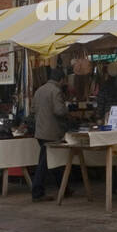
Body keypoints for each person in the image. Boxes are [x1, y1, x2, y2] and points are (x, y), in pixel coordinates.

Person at [29, 67, 69, 202]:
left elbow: (33, 109)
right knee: (44, 163)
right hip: (51, 132)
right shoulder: (56, 91)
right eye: (64, 80)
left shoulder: (39, 90)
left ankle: (64, 188)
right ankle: (37, 192)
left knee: (53, 159)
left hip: (40, 131)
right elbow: (59, 111)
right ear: (61, 79)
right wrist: (67, 109)